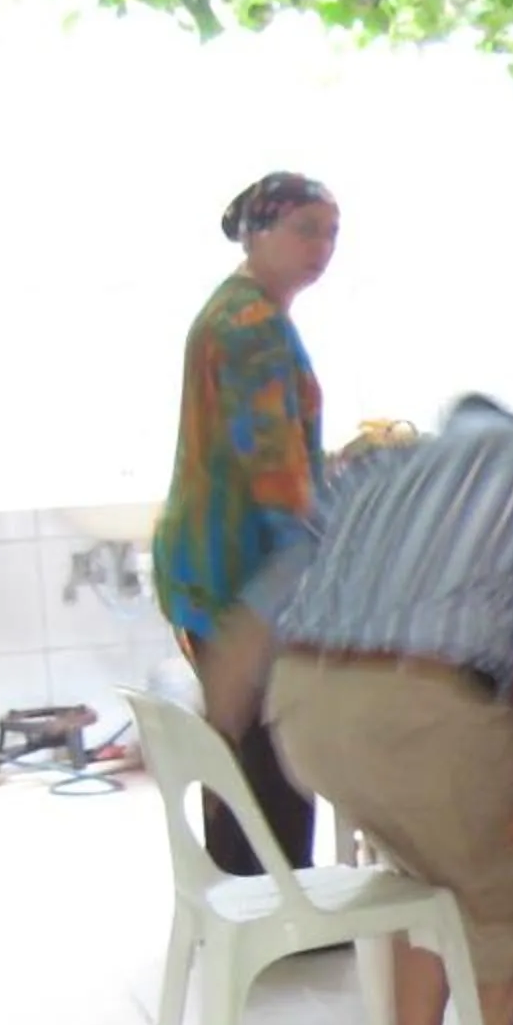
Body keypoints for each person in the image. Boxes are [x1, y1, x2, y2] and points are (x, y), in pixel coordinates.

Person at [196, 396, 513, 1025]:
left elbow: (268, 595)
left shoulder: (377, 469)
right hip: (415, 711)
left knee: (427, 877)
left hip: (305, 704)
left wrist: (219, 721)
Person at [151, 170, 336, 877]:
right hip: (243, 565)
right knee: (268, 747)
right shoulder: (253, 325)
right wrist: (307, 565)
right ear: (258, 233)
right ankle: (276, 917)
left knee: (243, 749)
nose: (322, 246)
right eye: (305, 229)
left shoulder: (238, 309)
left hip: (212, 559)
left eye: (330, 232)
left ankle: (243, 902)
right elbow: (274, 475)